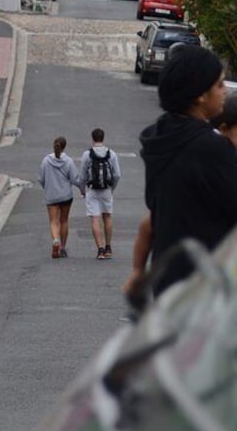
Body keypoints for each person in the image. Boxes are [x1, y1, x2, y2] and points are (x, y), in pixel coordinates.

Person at [138, 44, 237, 297]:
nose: (224, 91)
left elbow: (154, 215)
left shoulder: (157, 137)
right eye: (219, 85)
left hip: (169, 282)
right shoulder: (210, 148)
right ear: (200, 95)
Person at [80, 128, 121, 260]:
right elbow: (117, 174)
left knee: (95, 219)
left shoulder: (87, 154)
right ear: (103, 138)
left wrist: (82, 190)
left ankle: (100, 249)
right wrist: (112, 188)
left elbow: (82, 175)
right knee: (107, 217)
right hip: (106, 189)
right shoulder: (111, 154)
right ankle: (108, 247)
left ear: (92, 138)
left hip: (92, 190)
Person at [38, 136, 81, 258]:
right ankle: (62, 247)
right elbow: (75, 179)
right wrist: (83, 189)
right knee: (64, 221)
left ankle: (55, 239)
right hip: (66, 196)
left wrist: (47, 187)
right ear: (64, 147)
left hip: (51, 196)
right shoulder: (68, 161)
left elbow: (41, 179)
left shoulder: (46, 161)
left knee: (53, 221)